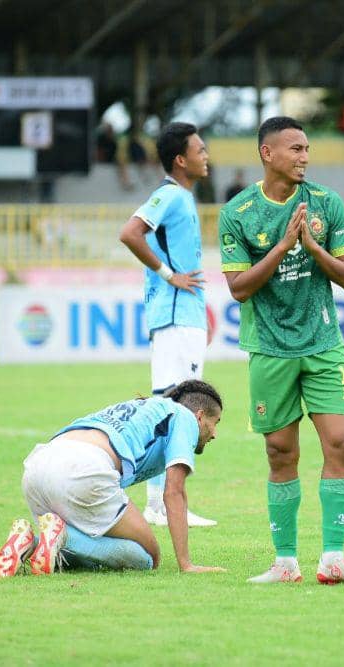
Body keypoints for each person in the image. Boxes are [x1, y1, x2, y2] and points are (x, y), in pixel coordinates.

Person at [219, 116, 344, 585]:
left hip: (323, 342)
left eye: (307, 148)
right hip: (269, 348)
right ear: (268, 154)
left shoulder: (327, 204)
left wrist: (311, 247)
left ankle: (334, 559)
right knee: (280, 452)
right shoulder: (239, 212)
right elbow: (238, 289)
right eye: (296, 149)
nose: (305, 157)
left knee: (341, 442)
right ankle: (285, 563)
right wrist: (283, 245)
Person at [0, 380, 227, 577]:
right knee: (147, 557)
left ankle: (30, 543)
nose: (215, 434)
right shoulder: (184, 417)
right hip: (83, 469)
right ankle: (65, 538)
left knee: (83, 536)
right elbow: (174, 492)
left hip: (38, 466)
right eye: (215, 423)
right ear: (199, 416)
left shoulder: (145, 407)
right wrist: (186, 564)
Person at [118, 122, 217, 528]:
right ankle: (164, 504)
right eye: (200, 149)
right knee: (181, 408)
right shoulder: (171, 195)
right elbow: (130, 233)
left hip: (180, 317)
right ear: (181, 159)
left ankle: (160, 504)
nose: (206, 154)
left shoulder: (183, 198)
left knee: (169, 407)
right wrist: (167, 273)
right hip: (177, 315)